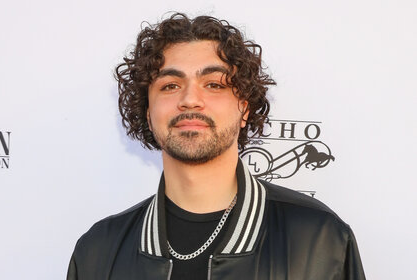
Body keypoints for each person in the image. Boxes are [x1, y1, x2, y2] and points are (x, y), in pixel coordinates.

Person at [67, 13, 366, 280]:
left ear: (245, 108)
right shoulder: (98, 251)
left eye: (214, 84)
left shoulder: (319, 240)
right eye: (170, 85)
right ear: (147, 110)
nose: (190, 99)